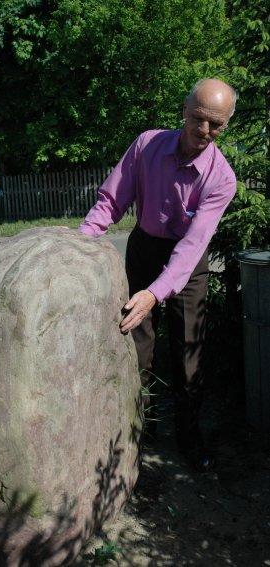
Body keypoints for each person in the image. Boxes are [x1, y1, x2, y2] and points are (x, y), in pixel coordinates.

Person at [79, 78, 237, 472]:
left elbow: (191, 248)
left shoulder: (221, 179)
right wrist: (82, 243)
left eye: (215, 124)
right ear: (185, 109)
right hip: (145, 249)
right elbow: (112, 200)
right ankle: (138, 429)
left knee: (188, 354)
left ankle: (188, 435)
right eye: (198, 118)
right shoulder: (147, 144)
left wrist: (157, 292)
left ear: (225, 125)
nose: (204, 131)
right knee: (136, 347)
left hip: (188, 263)